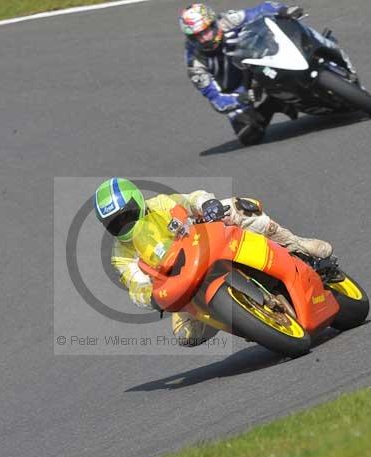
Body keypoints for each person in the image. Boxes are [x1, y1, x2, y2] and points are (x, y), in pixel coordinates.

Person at [94, 177, 333, 346]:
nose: (124, 224)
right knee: (187, 336)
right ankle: (248, 323)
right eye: (115, 222)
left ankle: (297, 246)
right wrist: (150, 297)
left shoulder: (160, 205)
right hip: (184, 286)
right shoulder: (121, 255)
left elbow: (192, 200)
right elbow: (136, 287)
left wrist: (207, 204)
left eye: (126, 215)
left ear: (138, 201)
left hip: (208, 245)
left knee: (236, 208)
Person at [180, 2, 307, 145]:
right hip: (236, 90)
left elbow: (263, 8)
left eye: (205, 31)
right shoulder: (194, 63)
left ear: (213, 23)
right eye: (197, 36)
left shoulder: (229, 20)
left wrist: (284, 10)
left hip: (255, 62)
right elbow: (216, 101)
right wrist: (241, 98)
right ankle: (274, 103)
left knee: (285, 31)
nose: (203, 39)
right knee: (248, 135)